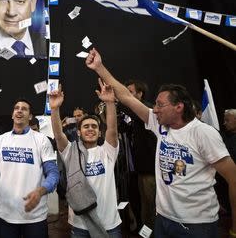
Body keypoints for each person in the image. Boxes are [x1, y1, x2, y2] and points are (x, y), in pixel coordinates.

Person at [86, 48, 236, 237]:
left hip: (198, 225)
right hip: (164, 220)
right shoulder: (160, 124)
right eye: (155, 104)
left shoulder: (203, 133)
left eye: (160, 105)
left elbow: (233, 178)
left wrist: (234, 228)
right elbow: (124, 96)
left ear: (179, 107)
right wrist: (99, 68)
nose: (154, 110)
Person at [49, 80, 122, 238]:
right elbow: (58, 135)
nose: (90, 129)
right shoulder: (70, 152)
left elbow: (113, 129)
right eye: (86, 126)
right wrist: (54, 109)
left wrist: (109, 103)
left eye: (94, 126)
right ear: (78, 132)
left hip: (109, 223)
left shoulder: (107, 152)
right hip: (80, 223)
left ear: (100, 132)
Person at [0, 99, 59, 238]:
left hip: (34, 216)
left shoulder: (41, 140)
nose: (19, 110)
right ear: (12, 115)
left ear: (30, 116)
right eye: (16, 108)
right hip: (5, 213)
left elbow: (53, 173)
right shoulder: (1, 140)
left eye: (24, 108)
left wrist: (41, 191)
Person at [124, 79, 157, 231]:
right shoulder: (134, 114)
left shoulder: (148, 109)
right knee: (144, 205)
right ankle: (146, 232)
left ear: (140, 93)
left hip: (151, 170)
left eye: (130, 92)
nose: (126, 94)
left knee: (151, 206)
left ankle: (153, 233)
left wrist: (117, 100)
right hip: (141, 169)